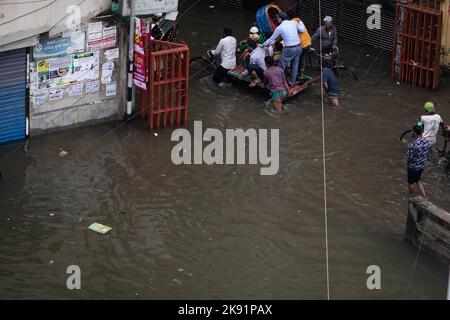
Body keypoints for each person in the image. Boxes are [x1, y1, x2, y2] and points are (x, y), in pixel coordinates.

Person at [263, 11, 305, 86]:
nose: (277, 19)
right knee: (295, 65)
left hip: (289, 49)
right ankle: (292, 82)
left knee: (281, 66)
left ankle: (278, 83)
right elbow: (302, 30)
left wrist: (263, 45)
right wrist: (300, 21)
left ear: (280, 19)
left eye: (278, 18)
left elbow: (271, 39)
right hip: (299, 47)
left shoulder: (280, 27)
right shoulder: (294, 23)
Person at [406, 124, 431, 198]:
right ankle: (424, 196)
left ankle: (412, 198)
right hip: (422, 165)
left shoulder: (414, 144)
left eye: (412, 131)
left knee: (411, 183)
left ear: (415, 133)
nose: (411, 133)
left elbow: (410, 157)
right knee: (418, 180)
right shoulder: (427, 142)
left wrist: (407, 164)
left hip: (413, 167)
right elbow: (428, 154)